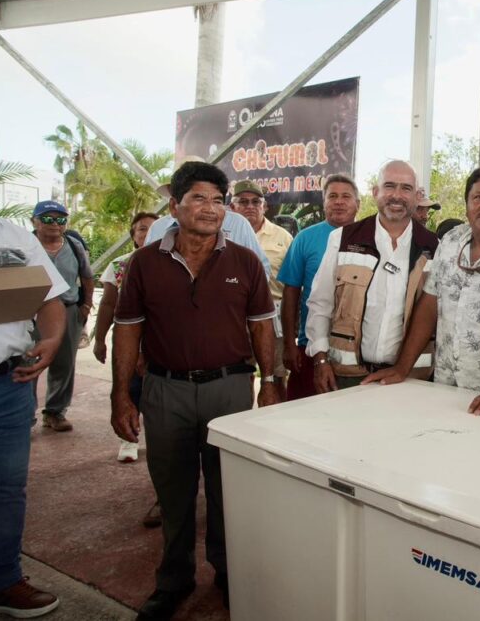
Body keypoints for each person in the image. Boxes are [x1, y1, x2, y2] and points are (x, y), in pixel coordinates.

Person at [111, 160, 278, 619]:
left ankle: (227, 573)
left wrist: (270, 381)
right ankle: (174, 580)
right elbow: (127, 329)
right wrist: (121, 394)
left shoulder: (244, 261)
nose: (210, 209)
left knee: (228, 489)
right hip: (166, 391)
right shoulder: (144, 263)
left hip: (230, 389)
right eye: (199, 198)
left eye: (218, 201)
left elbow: (262, 326)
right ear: (174, 206)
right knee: (173, 492)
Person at [363, 165, 480, 416]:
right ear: (467, 204)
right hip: (444, 389)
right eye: (478, 197)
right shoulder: (452, 240)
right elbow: (429, 307)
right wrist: (402, 368)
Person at [0, 141, 67, 618]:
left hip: (6, 385)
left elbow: (50, 300)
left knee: (4, 490)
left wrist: (51, 340)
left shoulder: (13, 237)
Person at [305, 161, 439, 392]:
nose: (396, 195)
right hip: (347, 375)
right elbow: (320, 303)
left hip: (411, 378)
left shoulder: (434, 247)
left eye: (406, 188)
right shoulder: (343, 239)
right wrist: (321, 359)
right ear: (376, 192)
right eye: (389, 186)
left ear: (417, 196)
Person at [93, 211, 162, 529]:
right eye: (141, 229)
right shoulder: (121, 264)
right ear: (133, 235)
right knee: (130, 392)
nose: (147, 233)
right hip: (128, 343)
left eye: (153, 228)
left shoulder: (170, 263)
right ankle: (130, 439)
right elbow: (108, 304)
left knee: (158, 404)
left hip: (160, 347)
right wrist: (100, 339)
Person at [277, 174, 359, 399]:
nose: (339, 202)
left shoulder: (371, 238)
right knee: (303, 412)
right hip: (311, 346)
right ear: (324, 203)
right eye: (332, 196)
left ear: (358, 204)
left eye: (346, 196)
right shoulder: (305, 238)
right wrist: (289, 344)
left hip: (357, 351)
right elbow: (291, 292)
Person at [31, 200, 95, 432]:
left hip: (68, 310)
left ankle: (55, 412)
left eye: (60, 219)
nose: (55, 224)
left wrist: (86, 305)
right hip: (32, 313)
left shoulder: (74, 245)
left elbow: (87, 277)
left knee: (64, 364)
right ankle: (25, 416)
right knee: (28, 363)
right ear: (34, 222)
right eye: (47, 218)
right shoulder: (25, 245)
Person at [230, 180, 293, 400]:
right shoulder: (224, 234)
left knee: (276, 377)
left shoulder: (283, 237)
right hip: (236, 318)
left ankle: (277, 418)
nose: (250, 206)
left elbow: (293, 283)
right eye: (243, 202)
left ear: (264, 206)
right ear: (232, 207)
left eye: (255, 202)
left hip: (274, 317)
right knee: (241, 375)